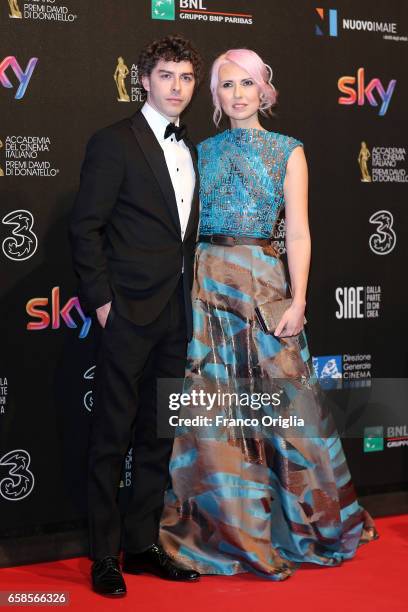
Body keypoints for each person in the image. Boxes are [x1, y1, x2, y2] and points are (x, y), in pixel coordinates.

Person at [160, 49, 378, 580]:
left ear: (264, 91)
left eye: (247, 84)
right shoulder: (198, 153)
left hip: (265, 286)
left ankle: (306, 522)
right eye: (226, 85)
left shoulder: (289, 151)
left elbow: (299, 233)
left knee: (289, 410)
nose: (237, 94)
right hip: (208, 289)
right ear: (215, 96)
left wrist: (299, 300)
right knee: (215, 415)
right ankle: (227, 528)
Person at [69, 35, 203, 597]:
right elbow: (86, 228)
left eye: (187, 77)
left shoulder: (189, 146)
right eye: (167, 75)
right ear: (144, 80)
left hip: (176, 311)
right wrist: (102, 303)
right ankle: (105, 556)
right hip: (126, 313)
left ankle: (143, 545)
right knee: (111, 436)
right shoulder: (113, 142)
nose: (177, 87)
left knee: (157, 435)